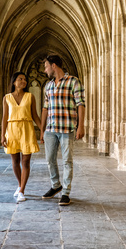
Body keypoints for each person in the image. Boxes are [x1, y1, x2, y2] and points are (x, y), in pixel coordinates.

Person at [40, 54, 85, 206]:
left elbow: (80, 104)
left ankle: (65, 192)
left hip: (67, 128)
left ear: (54, 66)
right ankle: (55, 185)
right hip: (50, 129)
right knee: (49, 159)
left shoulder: (73, 81)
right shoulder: (48, 85)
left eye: (46, 66)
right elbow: (45, 108)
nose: (45, 70)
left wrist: (81, 125)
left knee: (67, 161)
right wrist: (42, 130)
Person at [1, 71, 42, 203]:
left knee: (25, 162)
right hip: (12, 130)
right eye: (20, 79)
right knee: (15, 162)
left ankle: (22, 190)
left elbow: (35, 115)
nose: (23, 81)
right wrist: (2, 135)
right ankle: (19, 185)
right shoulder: (7, 98)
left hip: (27, 129)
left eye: (25, 79)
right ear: (14, 82)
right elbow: (4, 118)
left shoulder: (30, 96)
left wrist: (43, 131)